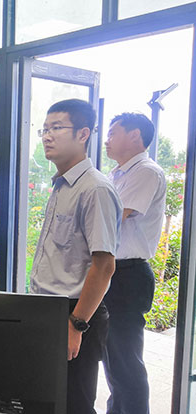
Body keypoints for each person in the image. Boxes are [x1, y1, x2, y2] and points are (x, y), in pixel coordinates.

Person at [29, 99, 122, 414]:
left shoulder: (95, 189)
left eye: (56, 128)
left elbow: (104, 265)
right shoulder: (61, 185)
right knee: (42, 401)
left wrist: (76, 324)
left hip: (73, 313)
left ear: (83, 134)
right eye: (44, 129)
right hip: (47, 309)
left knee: (73, 404)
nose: (47, 136)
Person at [103, 113, 166, 414]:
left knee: (126, 363)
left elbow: (114, 216)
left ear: (135, 136)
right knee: (114, 362)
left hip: (128, 275)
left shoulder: (145, 171)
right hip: (114, 272)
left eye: (112, 133)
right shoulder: (117, 174)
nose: (107, 140)